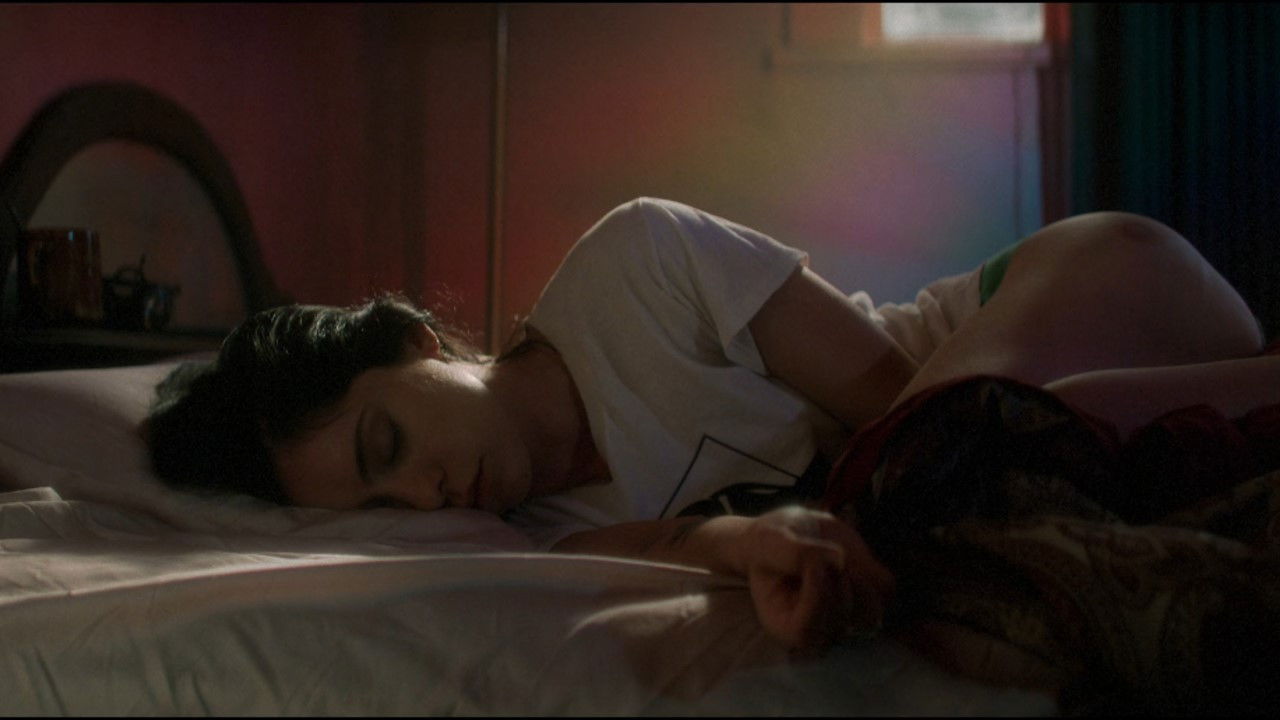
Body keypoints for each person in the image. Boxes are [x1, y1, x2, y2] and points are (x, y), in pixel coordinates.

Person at [145, 197, 1272, 655]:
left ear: (414, 344)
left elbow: (897, 399)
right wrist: (764, 544)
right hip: (1122, 414)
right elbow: (696, 544)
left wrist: (828, 522)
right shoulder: (535, 538)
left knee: (933, 464)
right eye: (384, 506)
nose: (424, 495)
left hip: (1082, 294)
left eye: (386, 447)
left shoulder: (634, 262)